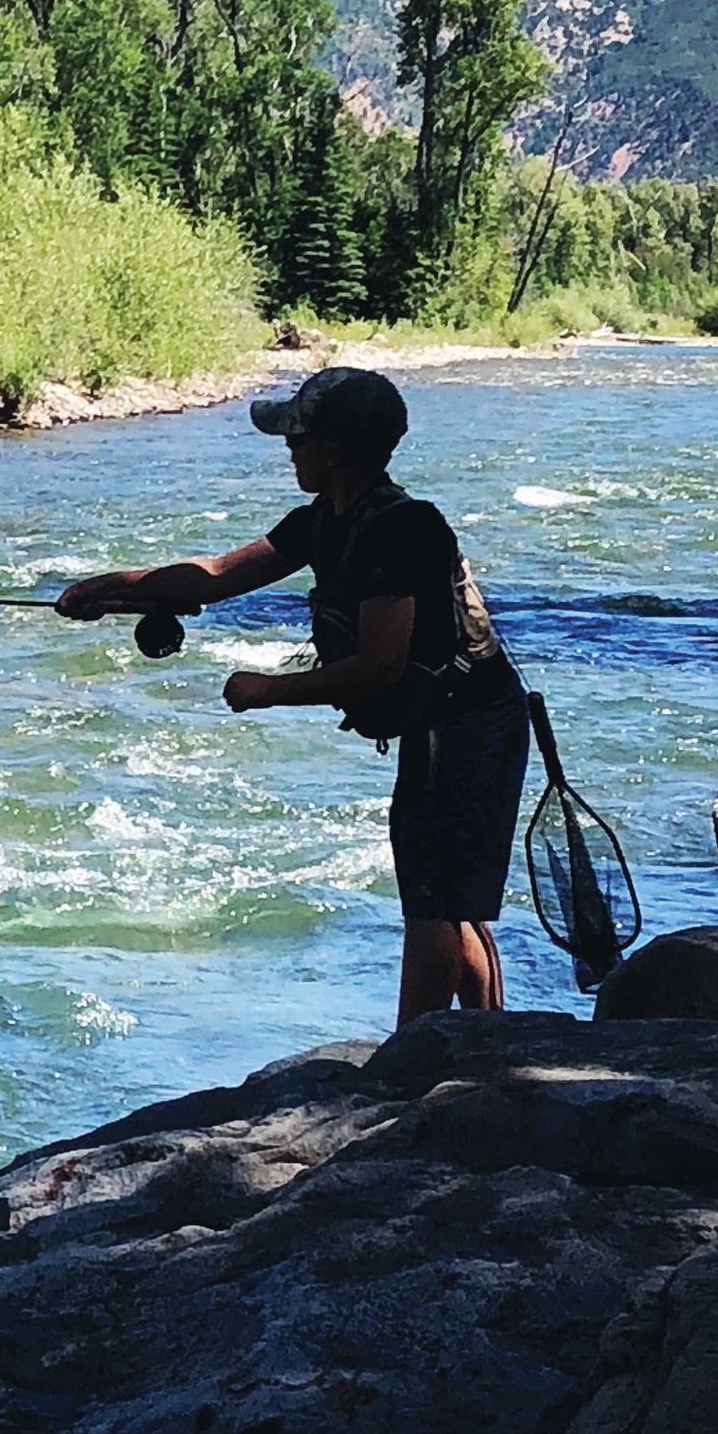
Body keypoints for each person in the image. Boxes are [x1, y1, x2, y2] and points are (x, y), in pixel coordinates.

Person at [56, 366, 529, 1027]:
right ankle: (484, 1045)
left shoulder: (404, 531)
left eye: (298, 439)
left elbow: (381, 666)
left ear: (332, 452)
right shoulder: (324, 521)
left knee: (433, 903)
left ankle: (413, 1062)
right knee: (447, 897)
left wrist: (269, 691)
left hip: (468, 723)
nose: (288, 449)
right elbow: (218, 575)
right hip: (442, 721)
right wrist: (113, 588)